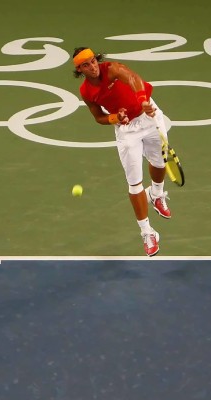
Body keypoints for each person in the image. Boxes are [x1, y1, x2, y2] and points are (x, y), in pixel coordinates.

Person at [72, 47, 172, 257]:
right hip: (127, 131)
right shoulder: (86, 92)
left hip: (149, 116)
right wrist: (115, 118)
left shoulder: (114, 69)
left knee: (160, 163)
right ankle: (147, 231)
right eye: (86, 65)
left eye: (93, 61)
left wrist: (143, 100)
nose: (92, 67)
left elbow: (134, 78)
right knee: (134, 183)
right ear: (80, 69)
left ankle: (156, 194)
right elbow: (98, 116)